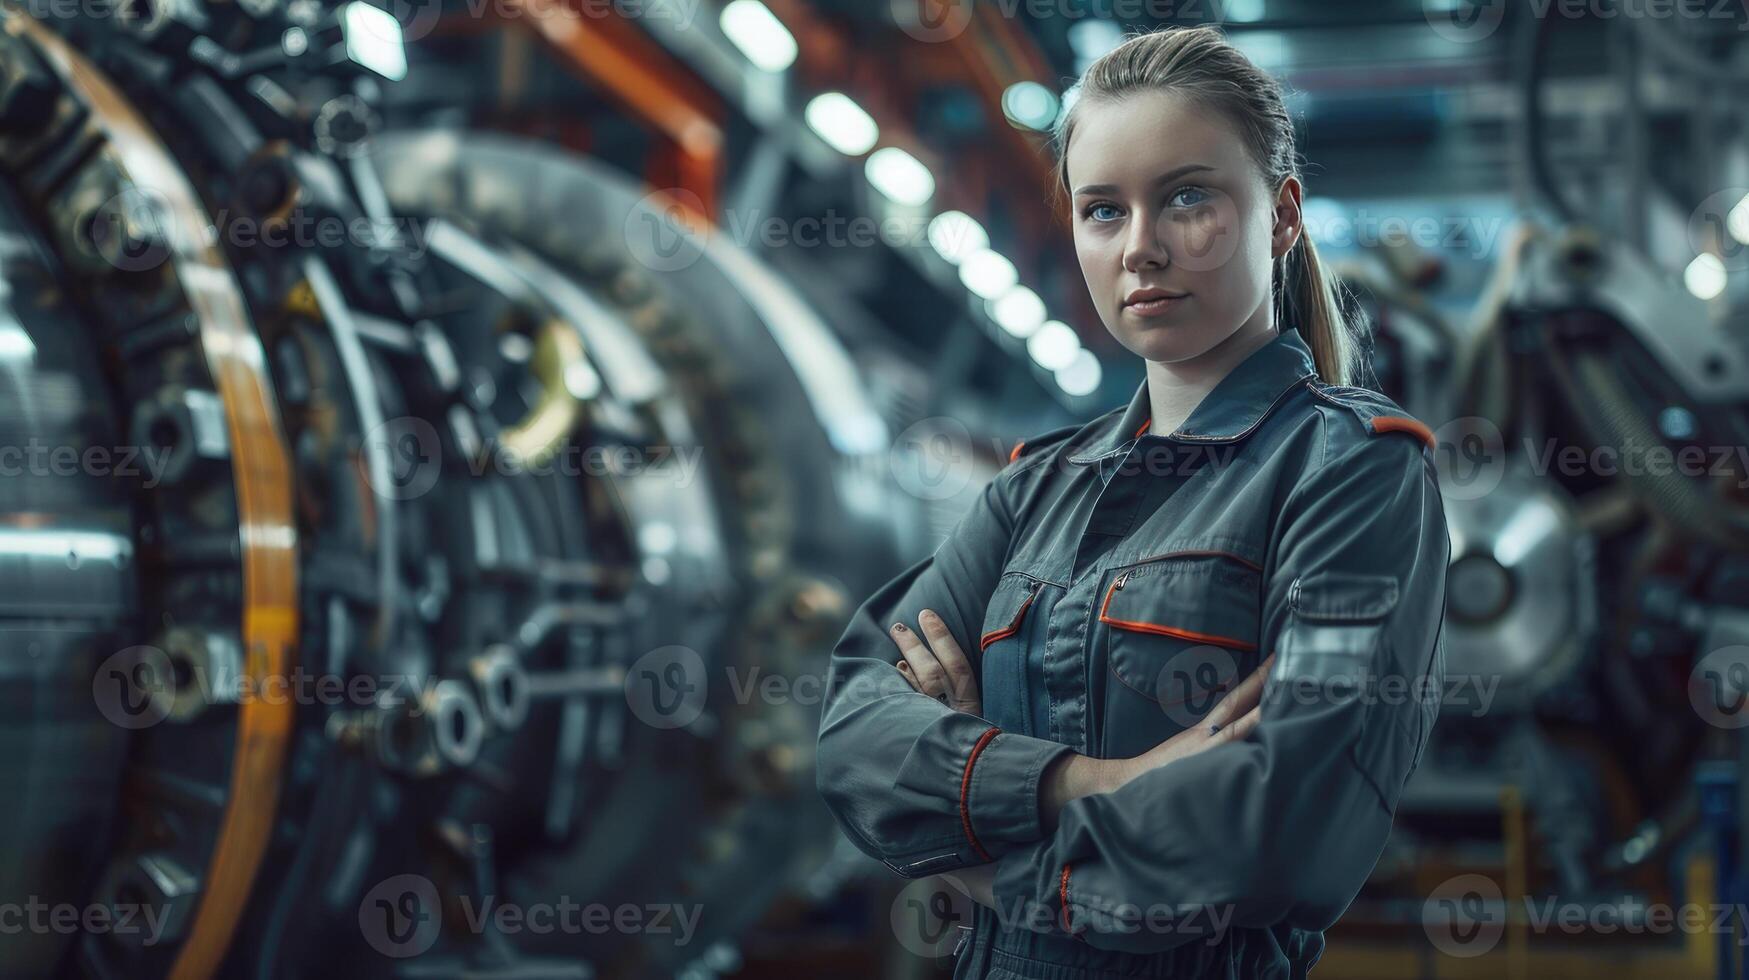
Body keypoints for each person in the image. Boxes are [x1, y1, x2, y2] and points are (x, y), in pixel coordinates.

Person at [815, 23, 1450, 979]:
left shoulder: (1351, 473)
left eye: (1187, 198)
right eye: (1103, 210)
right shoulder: (1034, 489)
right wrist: (1085, 782)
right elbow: (852, 735)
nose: (1140, 248)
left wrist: (974, 858)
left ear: (1280, 217)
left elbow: (1273, 832)